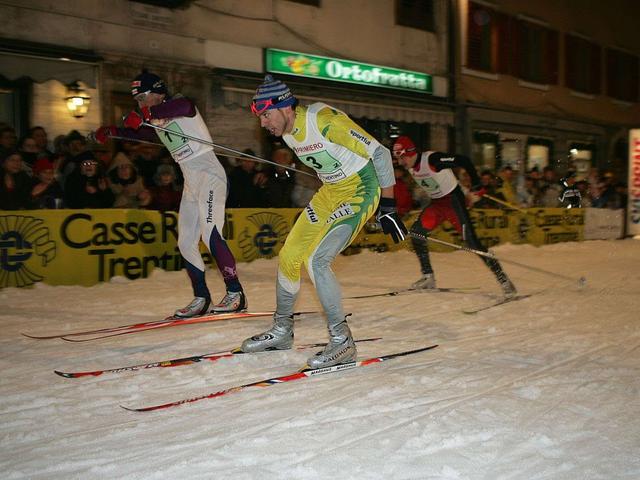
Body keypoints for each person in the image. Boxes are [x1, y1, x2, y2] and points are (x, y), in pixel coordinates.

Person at [241, 74, 407, 368]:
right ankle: (282, 330)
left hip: (360, 189)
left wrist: (389, 205)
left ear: (285, 107)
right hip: (330, 193)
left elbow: (380, 153)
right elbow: (325, 162)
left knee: (317, 260)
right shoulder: (289, 134)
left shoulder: (324, 119)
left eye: (266, 114)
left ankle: (343, 343)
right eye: (260, 117)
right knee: (290, 256)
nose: (263, 123)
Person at [92, 71, 246, 317]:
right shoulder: (155, 118)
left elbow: (186, 106)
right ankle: (201, 298)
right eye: (137, 99)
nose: (140, 103)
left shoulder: (178, 105)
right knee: (185, 241)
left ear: (159, 92)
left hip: (209, 174)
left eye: (144, 96)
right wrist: (110, 131)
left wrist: (146, 115)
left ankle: (235, 293)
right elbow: (140, 133)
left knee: (211, 235)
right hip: (190, 181)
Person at [392, 135, 517, 297]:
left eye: (402, 158)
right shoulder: (411, 166)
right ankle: (428, 277)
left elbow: (464, 160)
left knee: (473, 244)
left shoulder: (433, 159)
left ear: (411, 152)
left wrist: (477, 183)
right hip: (437, 204)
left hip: (453, 202)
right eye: (398, 159)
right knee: (417, 233)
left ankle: (504, 281)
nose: (401, 163)